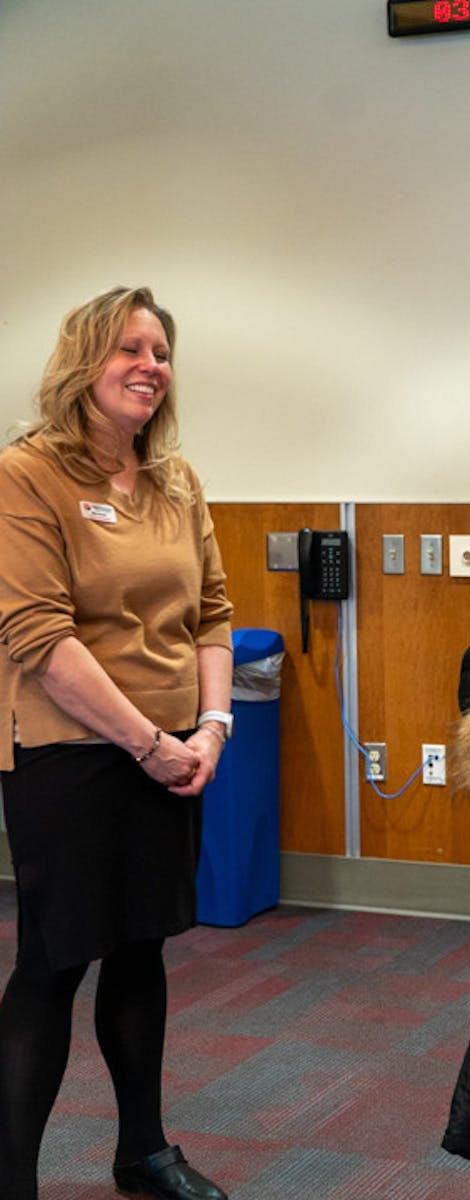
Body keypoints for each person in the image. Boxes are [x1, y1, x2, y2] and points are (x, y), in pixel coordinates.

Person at [0, 287, 234, 1200]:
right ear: (83, 364)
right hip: (72, 752)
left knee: (142, 949)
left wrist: (211, 728)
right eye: (129, 349)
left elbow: (214, 614)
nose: (150, 365)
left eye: (162, 351)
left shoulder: (176, 480)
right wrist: (148, 743)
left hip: (173, 750)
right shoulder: (27, 474)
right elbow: (39, 639)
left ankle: (144, 1151)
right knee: (55, 962)